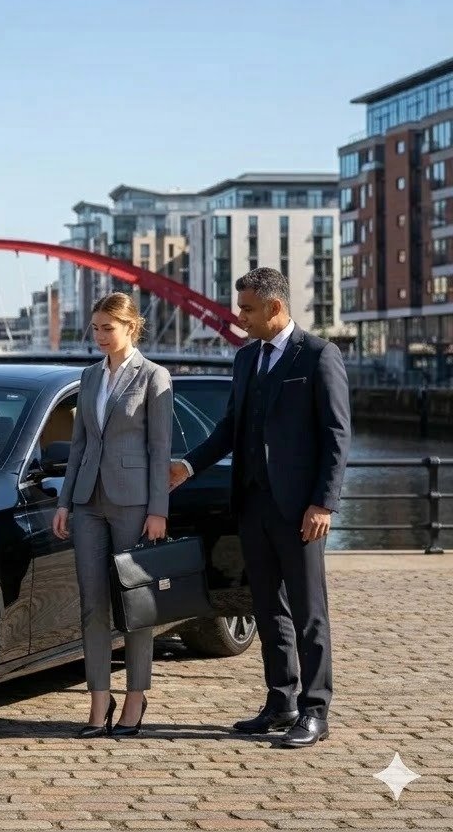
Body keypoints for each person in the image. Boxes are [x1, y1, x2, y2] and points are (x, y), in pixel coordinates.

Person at [169, 268, 350, 748]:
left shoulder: (317, 355)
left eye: (247, 309)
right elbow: (231, 427)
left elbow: (336, 436)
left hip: (299, 511)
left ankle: (315, 710)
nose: (239, 317)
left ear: (274, 307)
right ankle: (280, 700)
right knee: (268, 609)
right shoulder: (247, 358)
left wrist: (323, 503)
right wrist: (187, 466)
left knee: (310, 613)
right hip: (251, 505)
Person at [52, 292, 173, 738]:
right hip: (88, 503)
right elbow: (79, 445)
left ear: (131, 327)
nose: (100, 336)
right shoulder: (88, 378)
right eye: (96, 327)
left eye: (108, 327)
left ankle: (136, 699)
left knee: (136, 605)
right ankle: (98, 700)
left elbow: (160, 451)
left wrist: (158, 509)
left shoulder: (155, 378)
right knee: (92, 605)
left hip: (134, 504)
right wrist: (65, 501)